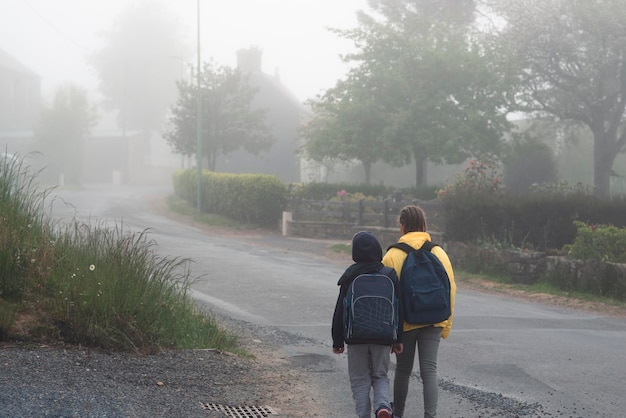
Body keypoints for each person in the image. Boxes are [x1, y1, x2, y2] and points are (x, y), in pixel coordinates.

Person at [382, 205, 456, 418]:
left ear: (402, 226)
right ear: (424, 225)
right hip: (434, 319)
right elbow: (451, 288)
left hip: (406, 322)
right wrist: (445, 325)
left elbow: (388, 297)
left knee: (403, 371)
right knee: (429, 371)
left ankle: (398, 415)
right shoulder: (438, 252)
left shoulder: (393, 255)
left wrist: (391, 331)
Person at [332, 231, 404, 418]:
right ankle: (382, 407)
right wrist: (398, 338)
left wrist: (337, 340)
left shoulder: (350, 276)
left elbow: (340, 310)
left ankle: (363, 414)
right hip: (383, 336)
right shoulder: (389, 274)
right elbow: (398, 309)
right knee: (380, 375)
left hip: (356, 336)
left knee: (360, 379)